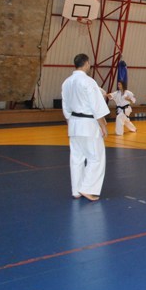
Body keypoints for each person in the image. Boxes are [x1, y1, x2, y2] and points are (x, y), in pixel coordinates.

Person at [61, 53, 110, 202]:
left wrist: (71, 124)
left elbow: (65, 107)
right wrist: (103, 125)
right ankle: (88, 189)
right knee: (96, 157)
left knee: (76, 158)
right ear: (87, 63)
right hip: (88, 124)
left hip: (73, 123)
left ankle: (76, 190)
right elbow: (96, 106)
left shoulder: (66, 83)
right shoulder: (88, 81)